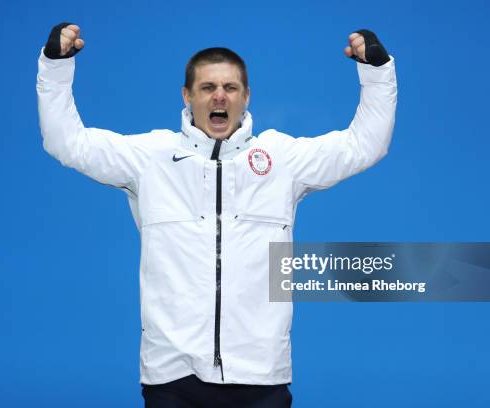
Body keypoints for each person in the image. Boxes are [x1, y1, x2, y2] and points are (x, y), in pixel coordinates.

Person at [36, 22, 397, 407]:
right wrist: (56, 67)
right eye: (208, 88)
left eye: (230, 88)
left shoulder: (282, 160)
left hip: (261, 377)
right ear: (187, 95)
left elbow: (364, 145)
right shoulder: (150, 157)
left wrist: (376, 73)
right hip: (172, 376)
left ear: (246, 97)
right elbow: (68, 143)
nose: (219, 97)